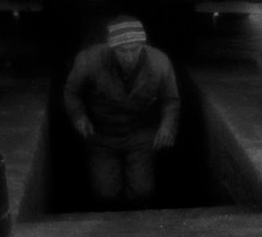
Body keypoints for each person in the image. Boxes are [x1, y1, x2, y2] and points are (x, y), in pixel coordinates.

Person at [64, 15, 180, 209]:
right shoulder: (88, 60)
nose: (129, 56)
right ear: (112, 48)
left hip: (140, 134)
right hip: (101, 136)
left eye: (134, 50)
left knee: (142, 192)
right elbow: (71, 91)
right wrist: (78, 116)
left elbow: (171, 99)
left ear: (143, 45)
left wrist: (167, 126)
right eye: (122, 51)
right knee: (105, 194)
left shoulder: (160, 62)